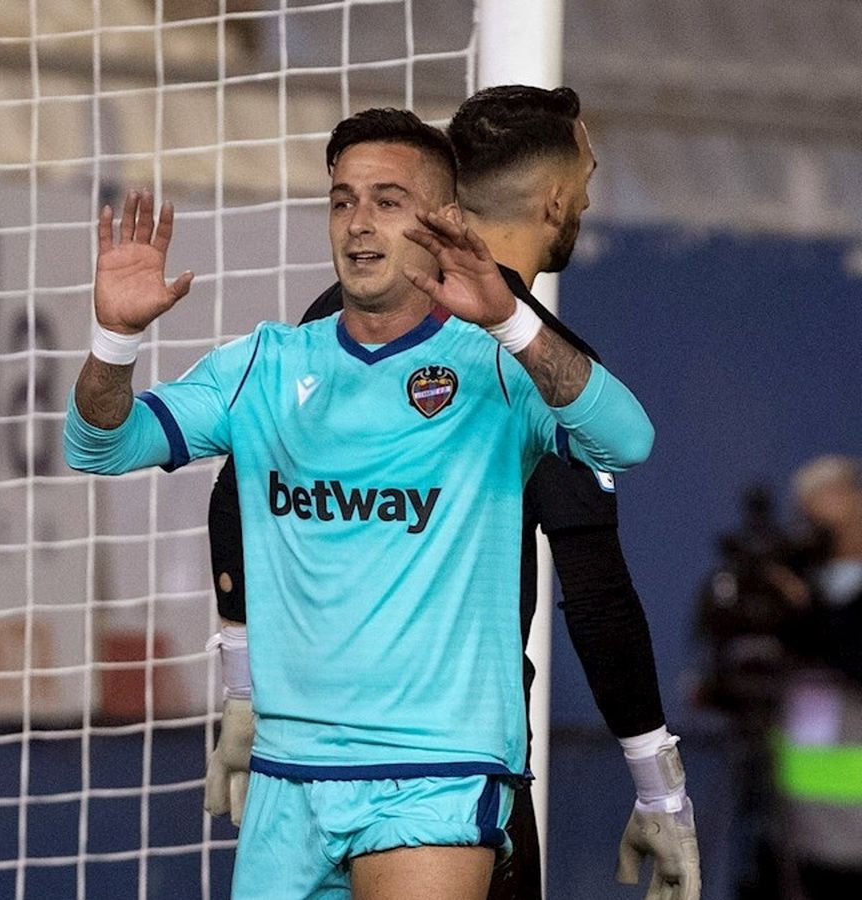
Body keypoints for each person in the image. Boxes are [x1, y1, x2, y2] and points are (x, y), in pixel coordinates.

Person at [64, 107, 653, 899]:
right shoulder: (264, 364)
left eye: (387, 199)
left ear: (443, 220)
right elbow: (100, 445)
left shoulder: (499, 369)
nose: (359, 223)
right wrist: (114, 342)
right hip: (287, 778)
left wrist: (513, 320)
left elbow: (627, 440)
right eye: (342, 200)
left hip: (435, 773)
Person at [202, 86, 700, 900]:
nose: (590, 193)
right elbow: (595, 582)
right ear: (555, 199)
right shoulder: (540, 366)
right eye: (588, 174)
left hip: (313, 762)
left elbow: (237, 491)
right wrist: (659, 787)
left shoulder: (339, 316)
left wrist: (243, 687)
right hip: (448, 775)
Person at [773, 456, 862, 899]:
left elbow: (850, 655)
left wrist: (811, 611)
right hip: (807, 834)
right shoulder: (797, 579)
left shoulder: (817, 601)